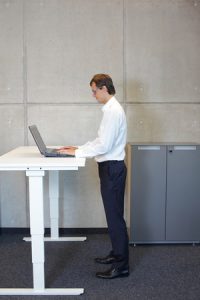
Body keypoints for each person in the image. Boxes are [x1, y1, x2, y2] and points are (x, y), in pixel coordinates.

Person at [58, 74, 129, 279]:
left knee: (115, 218)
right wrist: (79, 148)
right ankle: (117, 255)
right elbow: (101, 141)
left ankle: (121, 266)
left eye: (94, 90)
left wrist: (77, 153)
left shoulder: (113, 112)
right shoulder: (109, 110)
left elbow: (105, 145)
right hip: (109, 167)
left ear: (104, 88)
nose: (93, 95)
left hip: (112, 169)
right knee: (113, 216)